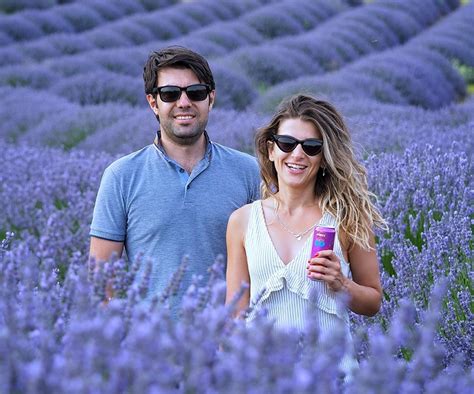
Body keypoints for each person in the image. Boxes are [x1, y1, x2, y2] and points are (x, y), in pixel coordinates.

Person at [89, 46, 260, 312]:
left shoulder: (248, 171)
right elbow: (101, 283)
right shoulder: (121, 176)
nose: (184, 103)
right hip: (153, 347)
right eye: (170, 94)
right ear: (153, 102)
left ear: (211, 99)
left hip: (230, 346)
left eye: (196, 93)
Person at [225, 94, 386, 376]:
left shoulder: (346, 220)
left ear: (323, 159)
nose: (297, 155)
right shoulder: (242, 221)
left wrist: (341, 284)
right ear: (271, 149)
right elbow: (235, 314)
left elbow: (373, 302)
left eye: (311, 147)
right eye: (287, 144)